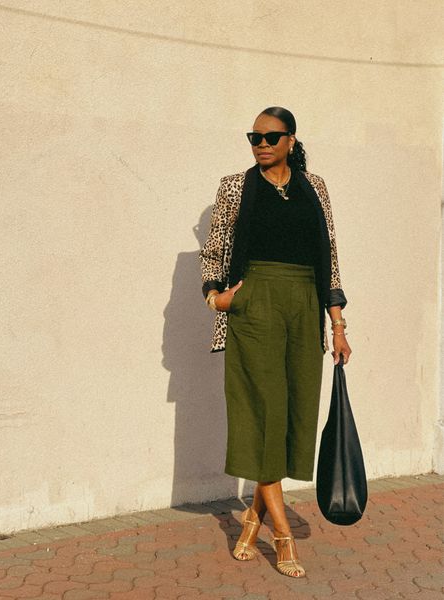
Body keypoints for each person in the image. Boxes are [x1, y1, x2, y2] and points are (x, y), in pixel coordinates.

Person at [199, 106, 352, 578]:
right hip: (255, 303)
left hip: (305, 305)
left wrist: (338, 322)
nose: (260, 143)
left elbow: (328, 252)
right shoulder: (235, 186)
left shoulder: (315, 187)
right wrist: (217, 299)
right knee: (264, 411)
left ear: (290, 140)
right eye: (254, 136)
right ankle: (281, 534)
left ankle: (251, 518)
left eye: (270, 136)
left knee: (294, 412)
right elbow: (216, 247)